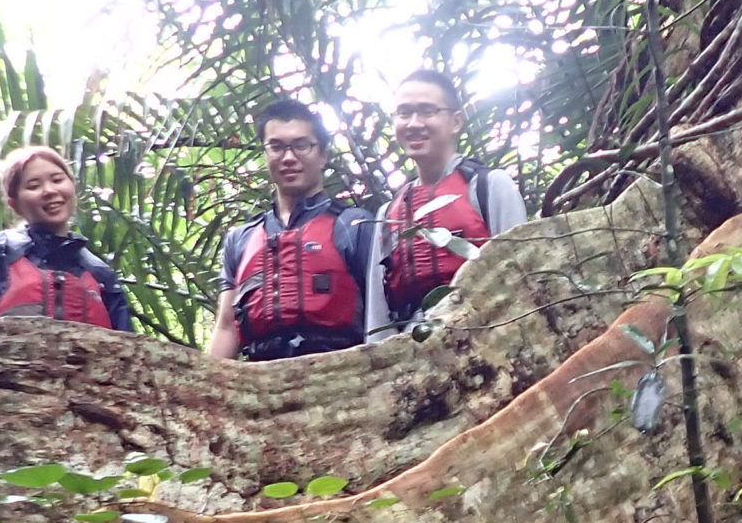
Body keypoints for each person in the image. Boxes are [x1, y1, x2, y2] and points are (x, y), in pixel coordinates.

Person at [208, 98, 380, 360]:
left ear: (322, 154)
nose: (289, 157)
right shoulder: (241, 239)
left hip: (339, 375)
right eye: (276, 147)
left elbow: (380, 314)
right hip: (259, 379)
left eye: (301, 145)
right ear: (265, 154)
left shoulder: (355, 225)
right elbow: (227, 327)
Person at [371, 68, 525, 337]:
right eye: (404, 113)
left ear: (455, 121)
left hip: (484, 335)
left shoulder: (489, 187)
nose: (414, 123)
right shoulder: (389, 214)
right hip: (410, 349)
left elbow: (520, 276)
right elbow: (378, 314)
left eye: (427, 111)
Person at [0, 144, 135, 331]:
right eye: (34, 186)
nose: (49, 191)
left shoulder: (100, 273)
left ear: (73, 186)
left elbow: (127, 345)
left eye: (57, 180)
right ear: (14, 204)